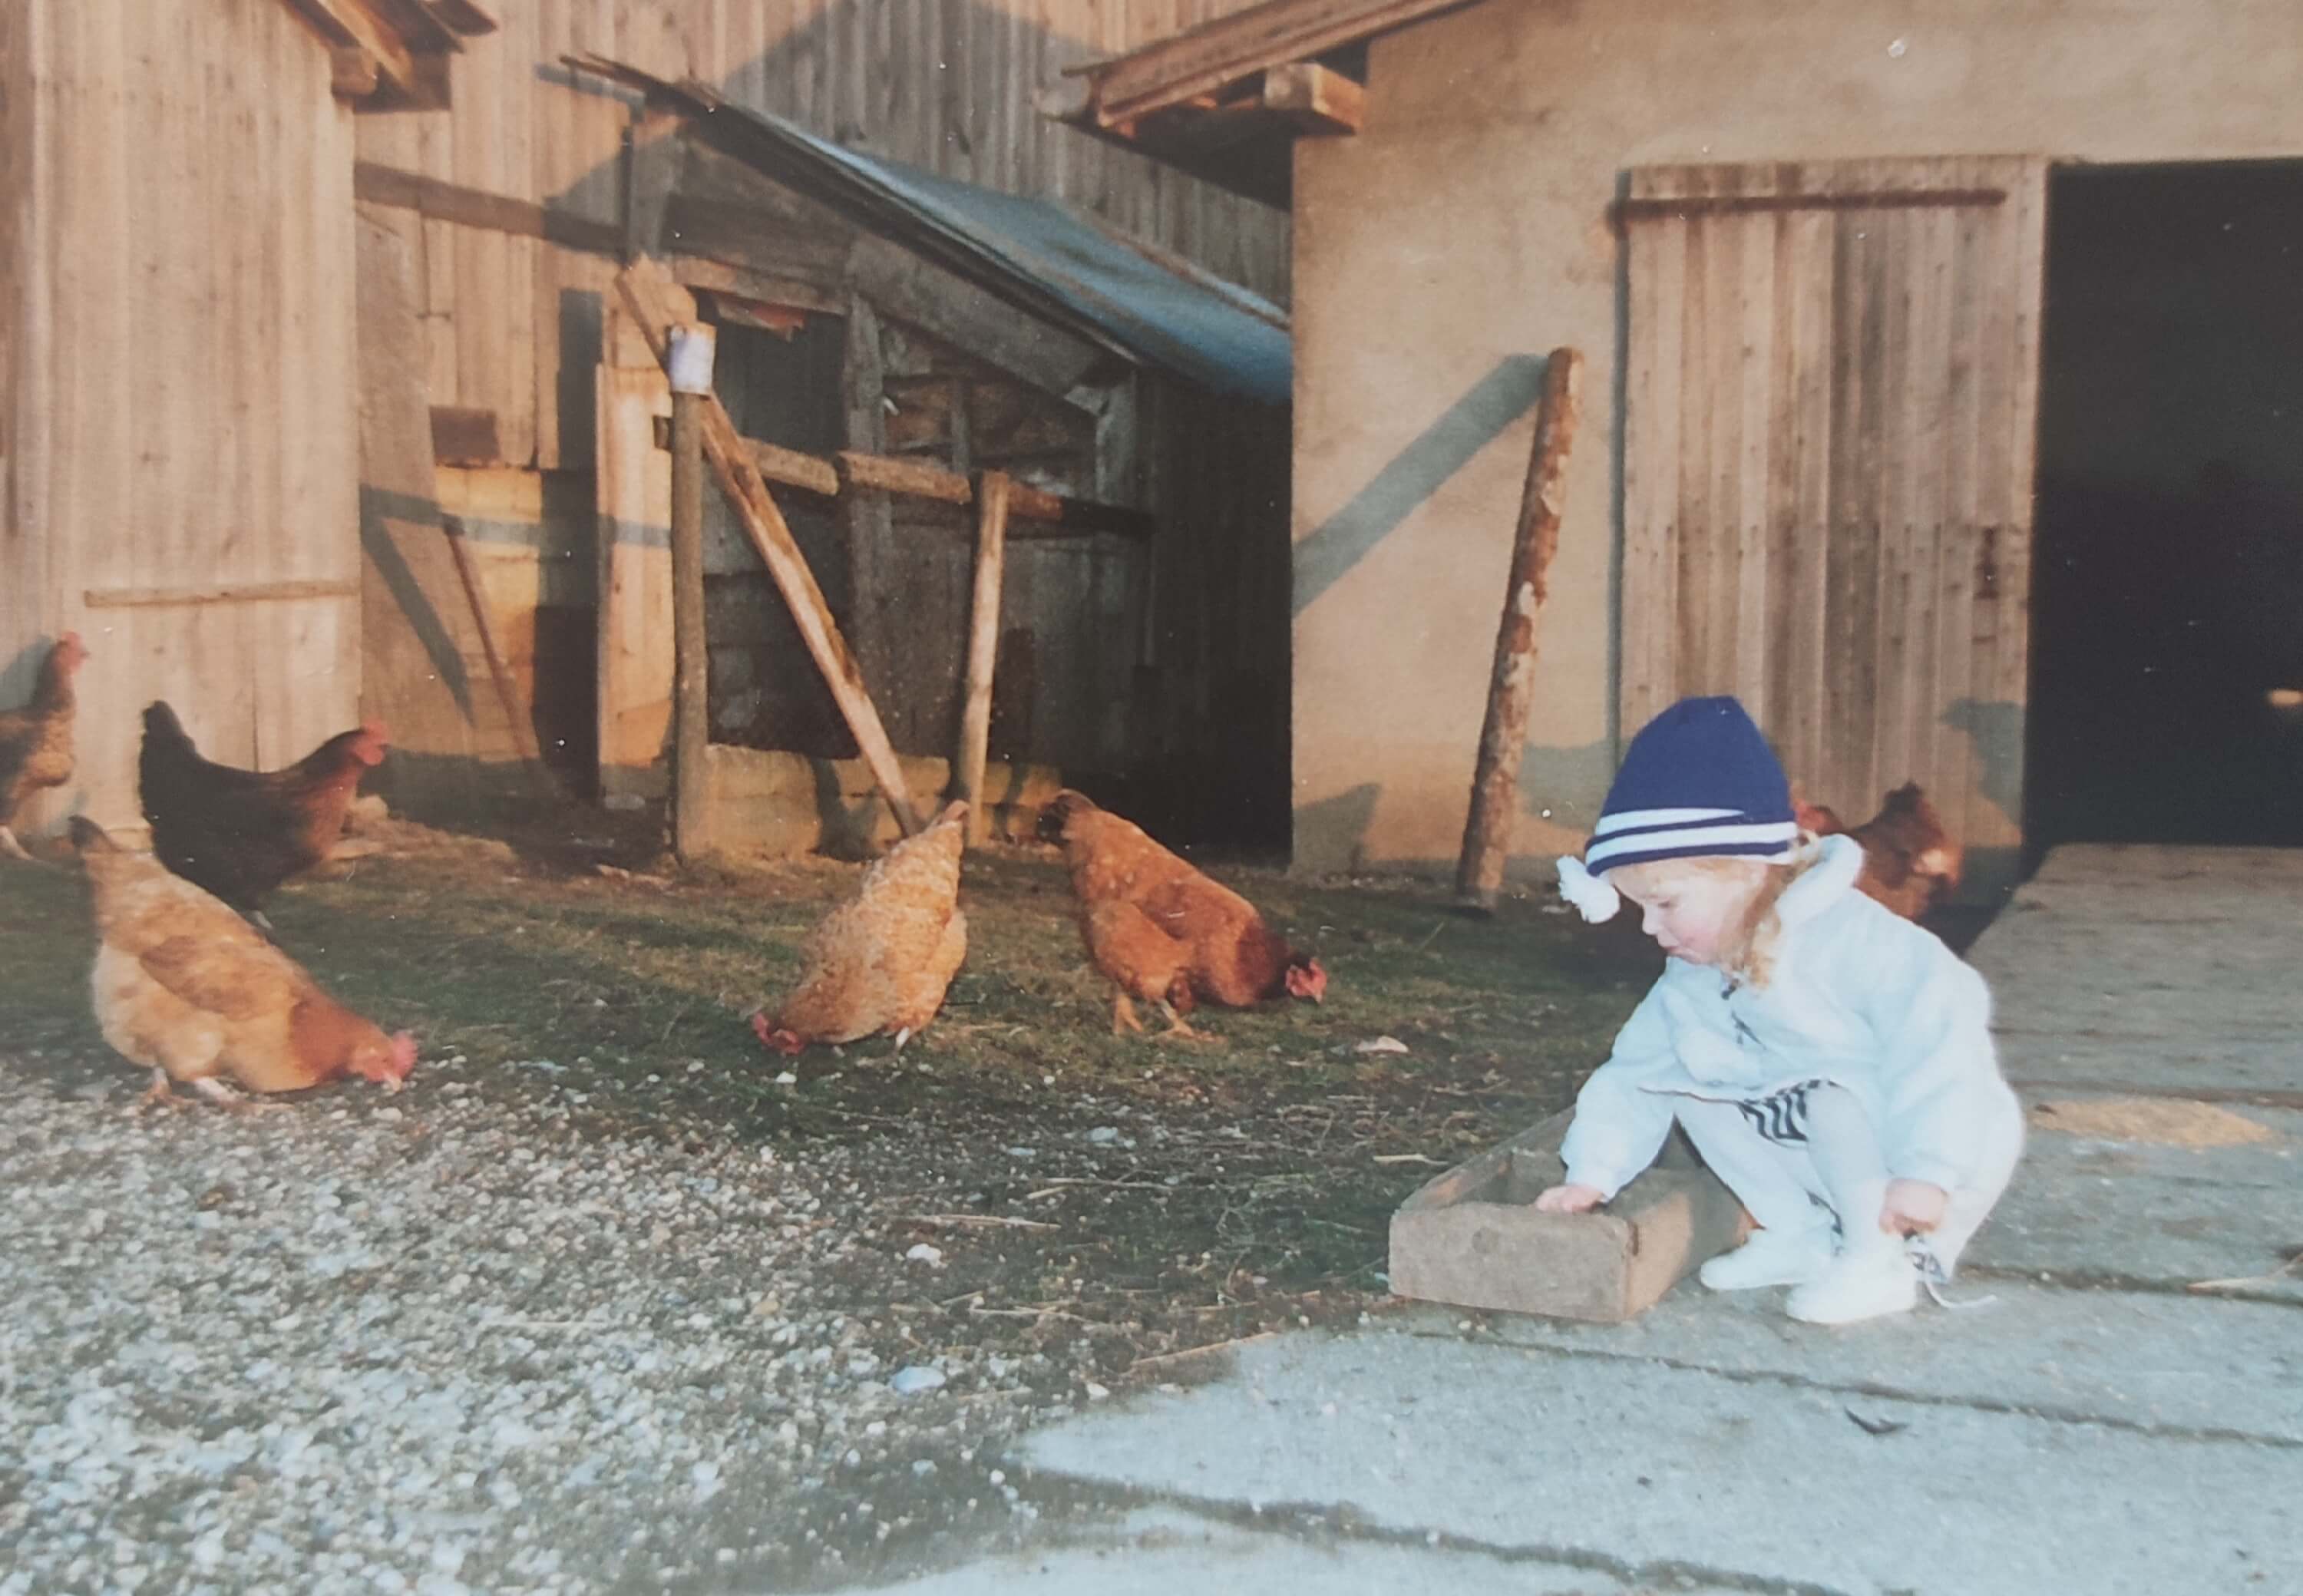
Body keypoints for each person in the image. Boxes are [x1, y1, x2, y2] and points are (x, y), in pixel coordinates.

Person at [1533, 696, 2024, 1325]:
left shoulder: (1857, 942)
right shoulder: (1695, 973)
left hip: (1921, 1151)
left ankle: (1877, 1260)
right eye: (1641, 909)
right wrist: (1593, 1172)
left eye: (1666, 904)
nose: (1651, 927)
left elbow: (1941, 1047)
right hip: (1822, 1145)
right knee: (1686, 1083)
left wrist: (1930, 1168)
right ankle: (1799, 1234)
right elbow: (1634, 1069)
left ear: (1745, 871)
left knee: (1830, 1098)